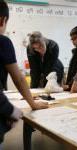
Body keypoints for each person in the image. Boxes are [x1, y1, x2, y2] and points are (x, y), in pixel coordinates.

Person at [0, 1, 48, 148]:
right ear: (2, 20)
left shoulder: (53, 47)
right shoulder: (3, 42)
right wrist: (12, 109)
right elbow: (19, 78)